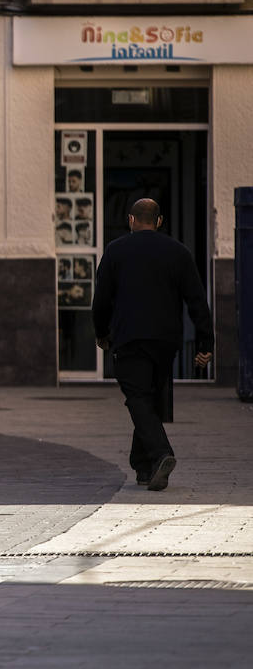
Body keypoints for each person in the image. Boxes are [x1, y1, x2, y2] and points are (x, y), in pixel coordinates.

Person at [93, 198, 213, 491]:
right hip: (165, 340)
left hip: (129, 338)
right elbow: (196, 299)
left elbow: (102, 298)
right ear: (159, 221)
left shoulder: (116, 251)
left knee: (137, 398)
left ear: (131, 220)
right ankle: (143, 466)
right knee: (148, 399)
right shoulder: (178, 252)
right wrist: (205, 341)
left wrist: (101, 332)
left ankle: (161, 454)